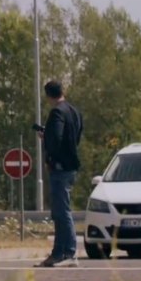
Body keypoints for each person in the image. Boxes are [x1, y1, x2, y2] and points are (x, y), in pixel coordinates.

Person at [35, 80, 83, 268]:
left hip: (60, 167)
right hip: (71, 165)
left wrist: (45, 140)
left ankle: (69, 252)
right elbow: (76, 135)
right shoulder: (74, 111)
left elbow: (55, 138)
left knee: (62, 211)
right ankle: (58, 253)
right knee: (60, 211)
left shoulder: (57, 112)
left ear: (48, 95)